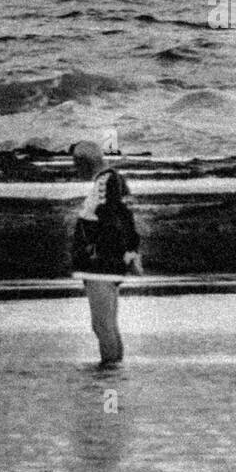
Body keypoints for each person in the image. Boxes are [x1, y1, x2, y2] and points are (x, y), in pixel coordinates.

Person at [70, 141, 142, 366]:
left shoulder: (105, 181)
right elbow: (126, 217)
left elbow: (114, 220)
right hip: (106, 262)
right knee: (107, 324)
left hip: (100, 263)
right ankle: (115, 373)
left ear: (84, 162)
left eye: (76, 163)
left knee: (102, 325)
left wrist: (122, 251)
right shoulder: (115, 179)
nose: (75, 169)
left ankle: (108, 376)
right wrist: (130, 252)